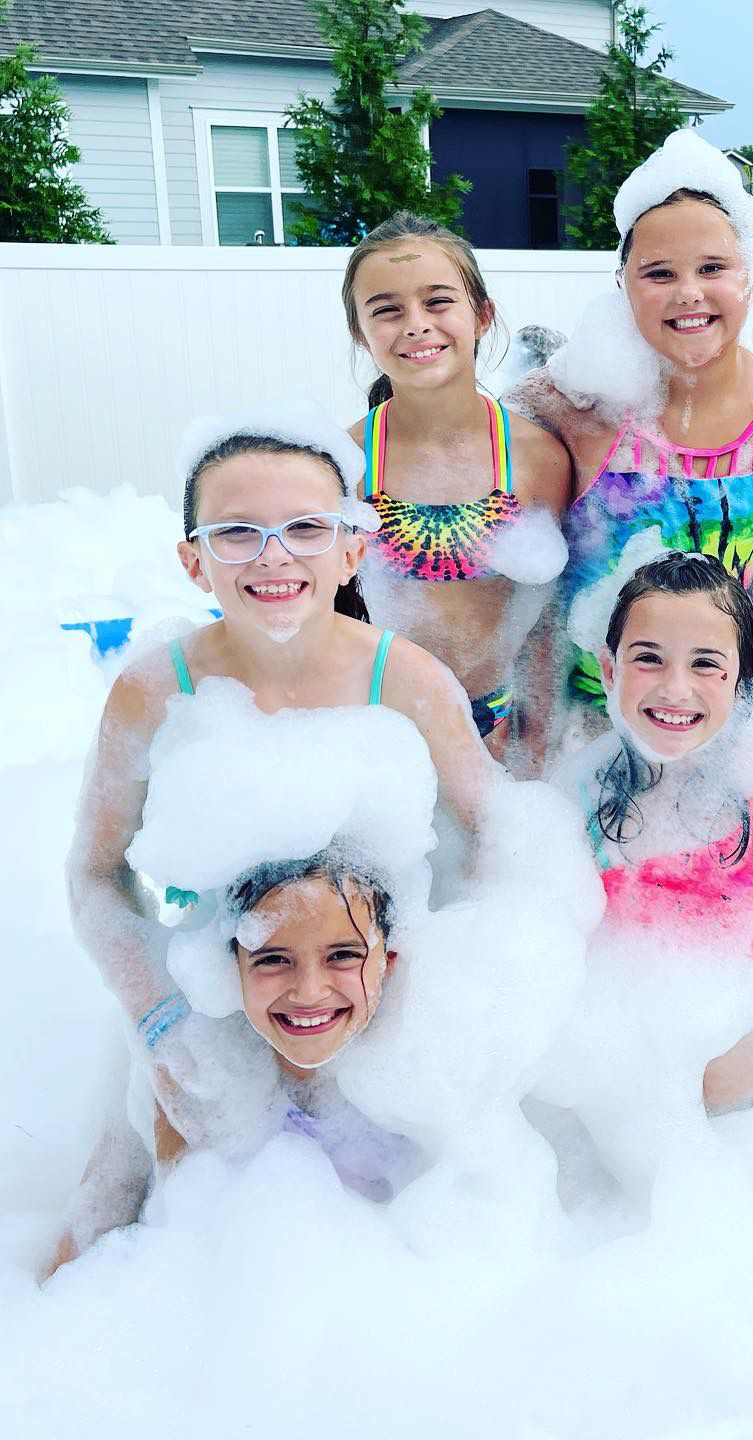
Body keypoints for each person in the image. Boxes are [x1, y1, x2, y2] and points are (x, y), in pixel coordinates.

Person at [67, 402, 499, 1151]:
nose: (274, 557)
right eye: (237, 532)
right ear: (193, 560)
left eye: (305, 528)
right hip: (212, 1012)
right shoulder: (152, 690)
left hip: (370, 1004)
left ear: (350, 553)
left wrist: (442, 999)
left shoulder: (406, 682)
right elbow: (96, 877)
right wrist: (161, 1018)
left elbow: (497, 844)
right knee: (122, 1218)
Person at [508, 130, 753, 720]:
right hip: (588, 729)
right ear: (623, 287)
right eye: (660, 273)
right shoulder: (572, 404)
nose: (689, 293)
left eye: (714, 267)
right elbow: (453, 450)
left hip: (735, 728)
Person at [558, 551, 753, 1112]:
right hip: (635, 1102)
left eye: (706, 664)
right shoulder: (581, 802)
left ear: (743, 679)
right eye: (649, 658)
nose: (676, 688)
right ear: (610, 671)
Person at [49, 851, 423, 1275]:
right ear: (232, 969)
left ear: (388, 963)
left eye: (342, 956)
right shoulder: (198, 1081)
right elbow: (132, 1244)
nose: (309, 991)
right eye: (272, 959)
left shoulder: (423, 1081)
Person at [343, 212, 571, 763]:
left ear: (482, 315)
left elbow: (547, 619)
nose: (416, 324)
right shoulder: (344, 462)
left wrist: (537, 743)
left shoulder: (537, 457)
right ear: (360, 331)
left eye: (438, 301)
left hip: (499, 722)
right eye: (387, 310)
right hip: (381, 728)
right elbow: (332, 620)